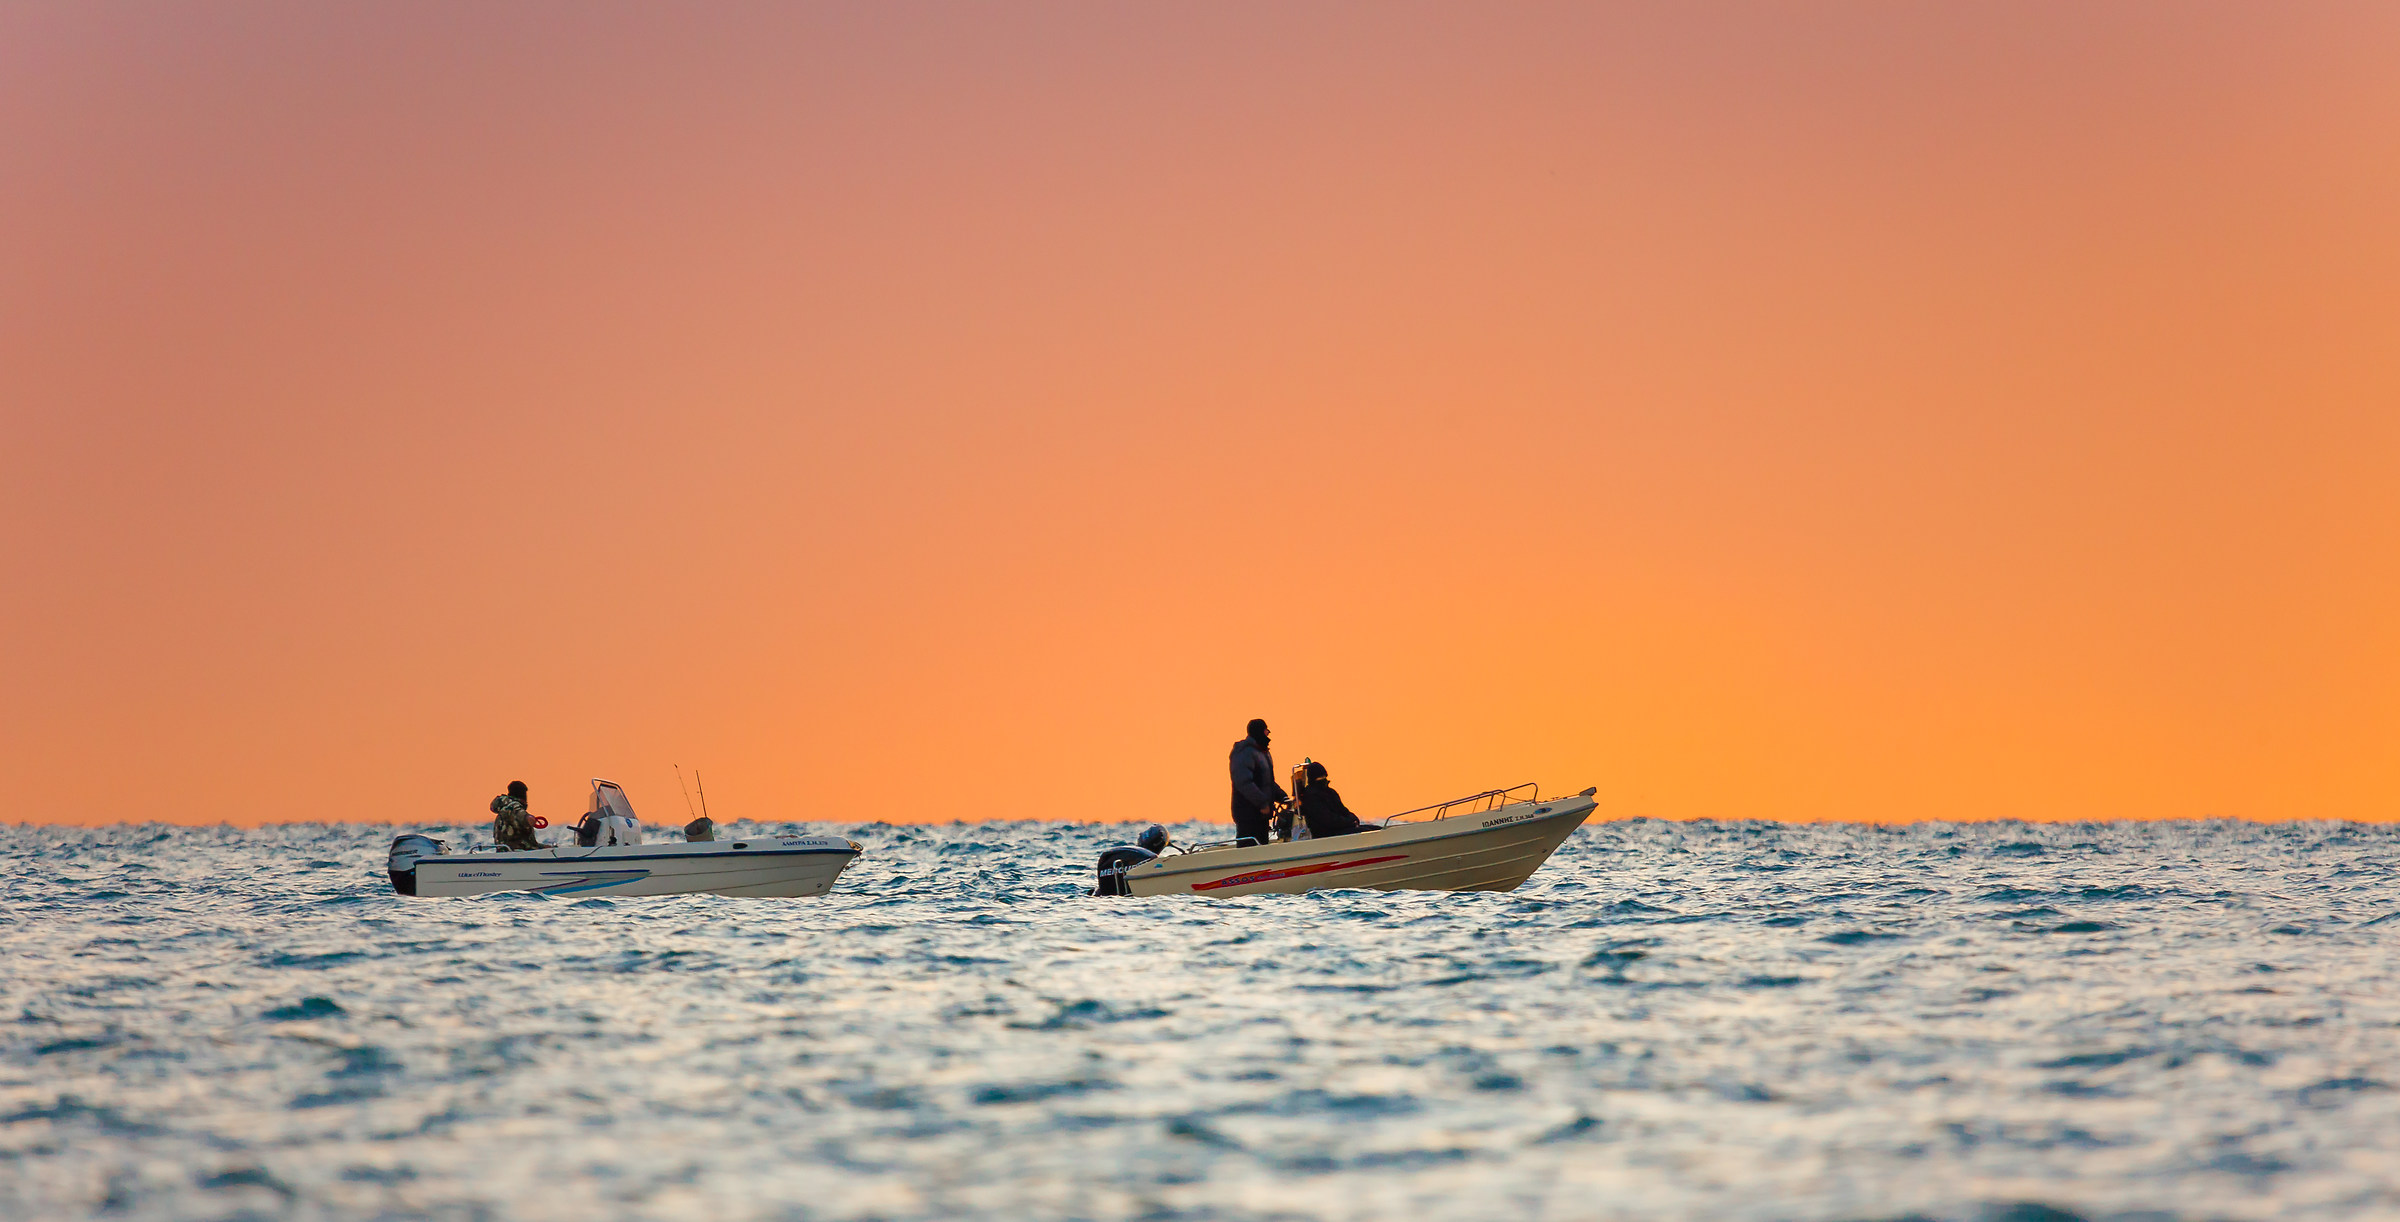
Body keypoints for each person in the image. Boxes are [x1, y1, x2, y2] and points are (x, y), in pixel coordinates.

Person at [1228, 718, 1286, 846]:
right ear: (1260, 731)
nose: (1268, 734)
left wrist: (1283, 797)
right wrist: (1262, 803)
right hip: (1248, 814)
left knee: (1262, 845)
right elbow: (1244, 782)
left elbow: (1268, 782)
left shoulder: (1262, 752)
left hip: (1261, 816)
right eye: (1266, 731)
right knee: (1249, 846)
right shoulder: (1245, 752)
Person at [1296, 760, 1372, 838]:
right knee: (1366, 832)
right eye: (1320, 777)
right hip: (1326, 833)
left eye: (1324, 776)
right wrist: (1349, 822)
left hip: (1341, 828)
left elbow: (1343, 810)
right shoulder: (1310, 796)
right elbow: (1327, 819)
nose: (1323, 779)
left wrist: (1353, 818)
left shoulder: (1330, 792)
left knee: (1374, 829)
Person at [490, 781, 541, 851]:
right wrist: (530, 819)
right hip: (519, 852)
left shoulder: (504, 809)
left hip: (505, 850)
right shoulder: (513, 807)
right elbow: (523, 816)